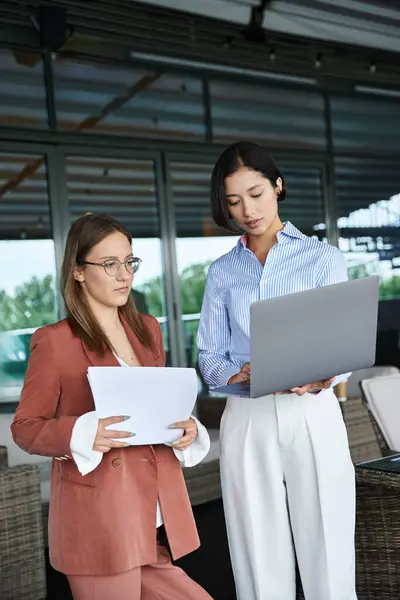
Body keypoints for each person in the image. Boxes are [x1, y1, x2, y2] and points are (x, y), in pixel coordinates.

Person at [12, 214, 213, 600]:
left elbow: (157, 403)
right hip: (97, 522)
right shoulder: (54, 341)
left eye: (129, 262)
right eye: (109, 264)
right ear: (79, 272)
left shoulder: (147, 329)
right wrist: (83, 432)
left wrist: (185, 427)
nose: (124, 275)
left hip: (149, 513)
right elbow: (25, 427)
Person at [197, 141, 357, 600]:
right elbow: (208, 359)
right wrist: (241, 371)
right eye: (233, 201)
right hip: (249, 417)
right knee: (256, 550)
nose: (248, 209)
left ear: (278, 186)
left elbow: (343, 347)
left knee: (328, 543)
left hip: (313, 412)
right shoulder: (221, 273)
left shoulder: (323, 258)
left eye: (256, 193)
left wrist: (326, 373)